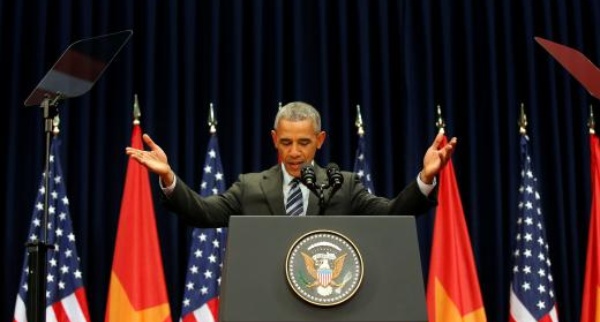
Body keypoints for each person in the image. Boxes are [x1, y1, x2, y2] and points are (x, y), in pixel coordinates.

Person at [125, 101, 457, 227]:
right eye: (286, 142)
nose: (294, 152)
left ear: (320, 140)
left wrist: (425, 178)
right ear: (274, 140)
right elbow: (202, 212)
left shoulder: (344, 185)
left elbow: (393, 214)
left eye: (303, 142)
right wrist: (169, 177)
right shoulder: (251, 187)